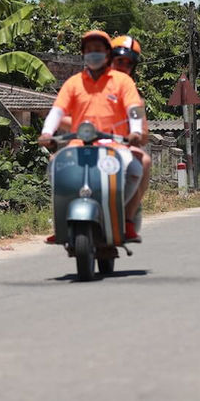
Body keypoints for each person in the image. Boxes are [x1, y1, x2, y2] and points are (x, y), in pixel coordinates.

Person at [39, 30, 147, 243]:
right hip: (80, 145)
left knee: (135, 167)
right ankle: (62, 219)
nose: (93, 54)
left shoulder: (123, 83)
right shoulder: (73, 83)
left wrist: (135, 131)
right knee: (54, 165)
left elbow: (135, 110)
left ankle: (120, 213)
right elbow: (57, 111)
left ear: (106, 53)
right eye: (89, 50)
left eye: (98, 50)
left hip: (113, 146)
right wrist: (46, 133)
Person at [108, 34, 152, 232]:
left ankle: (128, 216)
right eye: (119, 61)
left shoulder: (133, 95)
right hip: (87, 145)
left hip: (120, 147)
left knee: (144, 161)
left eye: (128, 64)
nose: (123, 67)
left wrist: (138, 134)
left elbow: (141, 128)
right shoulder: (89, 85)